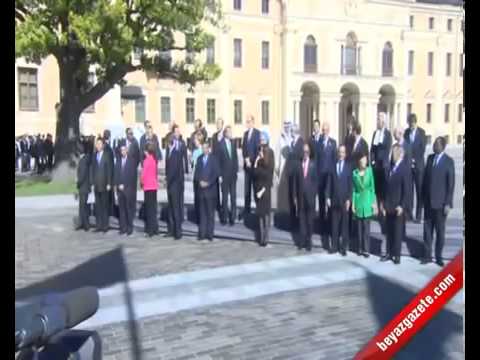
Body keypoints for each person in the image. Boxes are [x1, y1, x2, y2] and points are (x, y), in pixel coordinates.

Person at [421, 137, 455, 266]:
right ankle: (427, 255)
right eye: (434, 144)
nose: (434, 146)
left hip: (441, 205)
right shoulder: (430, 158)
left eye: (436, 144)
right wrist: (422, 199)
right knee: (427, 231)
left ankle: (439, 256)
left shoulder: (449, 161)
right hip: (429, 202)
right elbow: (425, 180)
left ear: (442, 146)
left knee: (440, 232)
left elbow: (451, 184)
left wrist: (448, 203)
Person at [380, 144, 409, 265]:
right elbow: (385, 188)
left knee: (397, 232)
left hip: (398, 206)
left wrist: (402, 205)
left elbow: (407, 190)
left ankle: (397, 255)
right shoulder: (390, 167)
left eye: (393, 153)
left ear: (399, 153)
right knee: (389, 231)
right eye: (391, 153)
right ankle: (388, 253)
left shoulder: (404, 168)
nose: (391, 156)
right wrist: (383, 205)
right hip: (389, 205)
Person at [326, 145, 353, 256]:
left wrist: (349, 199)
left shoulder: (348, 167)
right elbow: (329, 183)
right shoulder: (333, 167)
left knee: (344, 225)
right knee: (334, 224)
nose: (341, 154)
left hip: (344, 200)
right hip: (334, 199)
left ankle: (343, 247)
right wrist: (327, 196)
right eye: (339, 152)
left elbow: (350, 185)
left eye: (343, 152)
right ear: (338, 154)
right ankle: (334, 246)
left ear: (345, 154)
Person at [315, 121, 337, 245]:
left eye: (326, 129)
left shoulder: (333, 143)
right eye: (323, 130)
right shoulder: (318, 143)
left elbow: (334, 161)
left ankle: (330, 226)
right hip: (320, 178)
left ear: (329, 130)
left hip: (330, 177)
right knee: (322, 203)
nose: (324, 131)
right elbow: (317, 160)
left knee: (330, 203)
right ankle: (322, 226)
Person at [165, 125, 189, 239]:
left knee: (176, 207)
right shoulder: (169, 150)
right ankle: (171, 229)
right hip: (170, 183)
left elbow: (175, 169)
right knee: (170, 207)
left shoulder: (177, 150)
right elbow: (167, 166)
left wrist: (169, 180)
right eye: (175, 133)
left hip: (175, 183)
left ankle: (178, 231)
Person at [194, 142, 220, 241]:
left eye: (206, 148)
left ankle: (210, 234)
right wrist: (199, 181)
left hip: (210, 191)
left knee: (210, 214)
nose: (204, 150)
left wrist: (208, 183)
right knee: (202, 213)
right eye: (203, 148)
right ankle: (202, 233)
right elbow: (196, 173)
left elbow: (216, 174)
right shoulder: (200, 159)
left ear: (209, 149)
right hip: (201, 191)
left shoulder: (213, 159)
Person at [351, 154, 376, 257]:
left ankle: (366, 249)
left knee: (366, 228)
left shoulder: (370, 171)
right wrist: (353, 204)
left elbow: (372, 188)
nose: (363, 162)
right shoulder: (354, 173)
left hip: (367, 200)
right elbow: (353, 190)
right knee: (359, 228)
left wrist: (373, 203)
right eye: (362, 161)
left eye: (365, 160)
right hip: (358, 201)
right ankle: (360, 248)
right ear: (359, 162)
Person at [404, 114, 427, 223]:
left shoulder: (422, 133)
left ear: (415, 122)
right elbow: (404, 147)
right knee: (409, 191)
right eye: (409, 124)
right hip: (409, 166)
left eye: (412, 124)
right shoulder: (406, 132)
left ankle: (418, 215)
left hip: (419, 166)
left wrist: (414, 159)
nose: (411, 126)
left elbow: (422, 149)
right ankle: (409, 214)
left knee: (419, 191)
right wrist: (409, 160)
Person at [297, 143, 317, 252]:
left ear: (309, 152)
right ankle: (302, 241)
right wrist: (296, 195)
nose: (305, 153)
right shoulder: (299, 164)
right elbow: (297, 181)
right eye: (304, 151)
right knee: (302, 220)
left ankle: (309, 242)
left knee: (310, 221)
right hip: (301, 196)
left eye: (307, 151)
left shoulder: (313, 164)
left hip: (310, 197)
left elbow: (315, 181)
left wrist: (313, 194)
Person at [253, 142, 275, 247]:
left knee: (266, 214)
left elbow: (268, 176)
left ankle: (266, 238)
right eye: (259, 150)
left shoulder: (268, 161)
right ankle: (261, 238)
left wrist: (263, 190)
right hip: (258, 190)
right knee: (260, 214)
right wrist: (257, 161)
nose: (260, 152)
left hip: (265, 190)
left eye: (261, 150)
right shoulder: (259, 161)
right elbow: (254, 173)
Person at [370, 112, 392, 211]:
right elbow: (372, 148)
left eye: (379, 119)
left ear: (383, 121)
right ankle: (379, 207)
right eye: (377, 119)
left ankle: (384, 207)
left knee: (384, 188)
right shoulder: (375, 133)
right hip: (376, 166)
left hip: (384, 166)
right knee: (377, 189)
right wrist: (372, 160)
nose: (377, 121)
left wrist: (383, 160)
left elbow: (387, 148)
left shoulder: (387, 134)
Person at [114, 145, 138, 236]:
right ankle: (123, 228)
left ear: (127, 151)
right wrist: (117, 185)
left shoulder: (132, 162)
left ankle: (129, 228)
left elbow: (132, 177)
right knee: (121, 210)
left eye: (124, 150)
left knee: (128, 210)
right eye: (121, 150)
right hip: (120, 190)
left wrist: (126, 185)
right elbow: (116, 174)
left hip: (128, 190)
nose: (123, 152)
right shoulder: (118, 161)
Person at [218, 126, 238, 226]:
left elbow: (235, 158)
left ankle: (233, 218)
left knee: (233, 197)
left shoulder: (233, 143)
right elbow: (218, 161)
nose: (231, 133)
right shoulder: (220, 145)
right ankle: (224, 218)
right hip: (224, 175)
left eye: (231, 131)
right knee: (225, 198)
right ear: (225, 133)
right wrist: (220, 175)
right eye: (229, 132)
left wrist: (236, 171)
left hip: (233, 175)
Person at [241, 115, 261, 218]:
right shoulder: (245, 134)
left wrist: (252, 161)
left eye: (249, 122)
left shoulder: (257, 133)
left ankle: (258, 209)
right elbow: (244, 148)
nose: (247, 124)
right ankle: (247, 209)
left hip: (254, 166)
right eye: (246, 122)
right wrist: (246, 158)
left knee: (256, 188)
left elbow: (258, 150)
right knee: (247, 189)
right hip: (247, 166)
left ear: (253, 122)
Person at [91, 138, 112, 233]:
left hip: (104, 184)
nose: (98, 145)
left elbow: (109, 170)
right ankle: (98, 226)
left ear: (103, 145)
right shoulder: (94, 155)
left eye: (100, 144)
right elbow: (93, 170)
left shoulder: (107, 155)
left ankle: (105, 226)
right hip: (96, 184)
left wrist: (109, 183)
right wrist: (92, 183)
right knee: (98, 206)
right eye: (97, 144)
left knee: (104, 206)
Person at [140, 142, 159, 237]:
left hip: (148, 186)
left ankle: (149, 230)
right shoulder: (154, 160)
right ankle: (155, 228)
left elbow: (143, 174)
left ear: (146, 151)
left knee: (149, 209)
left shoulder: (146, 160)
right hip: (154, 186)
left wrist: (141, 182)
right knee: (153, 208)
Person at [274, 121, 293, 212]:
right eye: (285, 125)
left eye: (288, 126)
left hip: (291, 170)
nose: (287, 128)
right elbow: (277, 155)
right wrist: (276, 171)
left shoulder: (292, 139)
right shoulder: (280, 139)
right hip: (282, 170)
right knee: (282, 194)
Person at [287, 124, 305, 220]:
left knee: (298, 196)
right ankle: (292, 217)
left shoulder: (301, 142)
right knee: (291, 195)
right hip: (291, 175)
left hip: (298, 175)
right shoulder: (292, 143)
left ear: (295, 132)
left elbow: (301, 158)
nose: (290, 133)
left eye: (291, 131)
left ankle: (300, 219)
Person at [76, 143, 91, 232]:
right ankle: (82, 223)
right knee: (82, 205)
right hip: (84, 186)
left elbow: (83, 174)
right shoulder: (83, 159)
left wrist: (78, 182)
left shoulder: (83, 160)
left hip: (84, 186)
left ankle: (86, 225)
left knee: (83, 206)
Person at [191, 133, 203, 223]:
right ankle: (197, 216)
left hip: (201, 177)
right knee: (196, 197)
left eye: (195, 140)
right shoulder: (195, 151)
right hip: (195, 176)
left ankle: (201, 217)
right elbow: (192, 164)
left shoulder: (202, 150)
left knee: (200, 197)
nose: (194, 141)